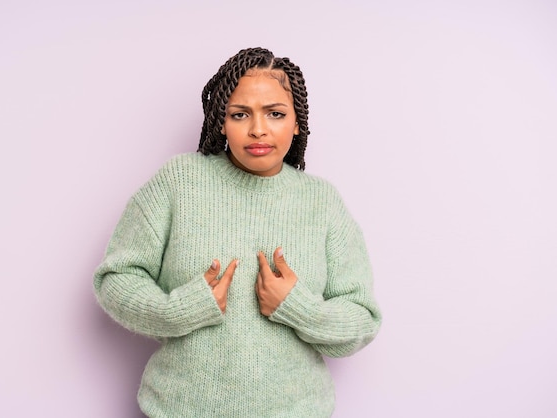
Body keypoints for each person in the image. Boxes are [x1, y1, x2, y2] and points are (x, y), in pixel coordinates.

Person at [93, 47, 382, 417]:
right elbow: (116, 278)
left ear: (297, 122)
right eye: (240, 114)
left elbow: (362, 318)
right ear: (220, 121)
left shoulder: (322, 202)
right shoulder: (179, 183)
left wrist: (297, 308)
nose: (258, 128)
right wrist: (180, 310)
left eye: (275, 114)